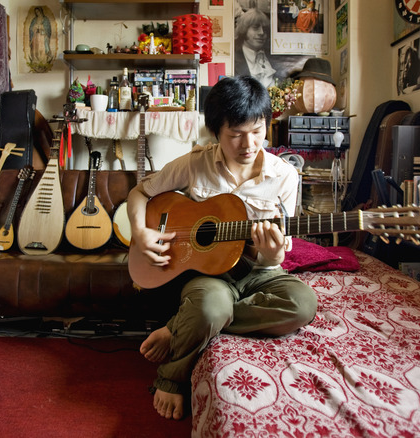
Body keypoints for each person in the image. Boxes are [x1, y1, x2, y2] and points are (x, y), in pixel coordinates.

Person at [126, 76, 318, 420]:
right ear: (217, 132)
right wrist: (140, 231)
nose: (249, 143)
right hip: (209, 275)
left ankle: (179, 326)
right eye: (236, 134)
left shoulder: (285, 176)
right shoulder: (193, 163)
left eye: (257, 130)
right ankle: (171, 378)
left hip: (258, 272)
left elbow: (278, 256)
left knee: (303, 304)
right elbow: (140, 194)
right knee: (211, 305)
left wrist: (273, 255)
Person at [233, 8, 277, 88]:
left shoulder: (272, 57)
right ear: (244, 29)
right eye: (256, 28)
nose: (262, 32)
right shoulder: (233, 58)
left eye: (265, 29)